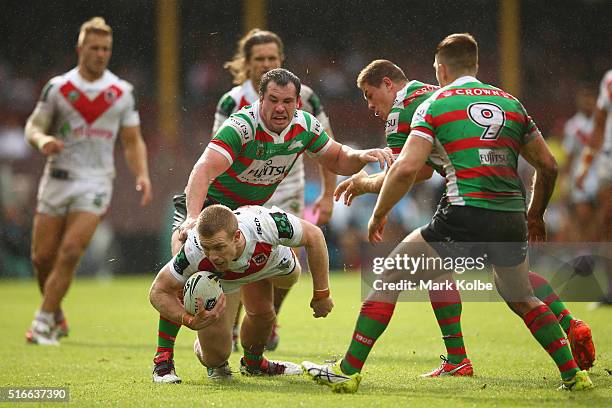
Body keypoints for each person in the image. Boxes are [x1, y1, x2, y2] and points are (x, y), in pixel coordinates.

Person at [303, 33, 593, 392]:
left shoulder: (421, 106)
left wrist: (375, 207)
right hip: (512, 207)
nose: (369, 105)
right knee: (515, 291)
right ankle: (570, 370)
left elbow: (410, 170)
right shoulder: (510, 101)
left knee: (391, 275)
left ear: (440, 69)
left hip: (465, 205)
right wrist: (535, 214)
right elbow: (547, 166)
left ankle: (348, 370)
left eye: (369, 95)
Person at [152, 67, 392, 383]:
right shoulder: (241, 127)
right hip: (209, 211)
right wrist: (193, 219)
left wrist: (362, 154)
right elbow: (202, 171)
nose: (280, 108)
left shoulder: (304, 126)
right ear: (260, 99)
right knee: (184, 275)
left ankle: (255, 361)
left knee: (269, 299)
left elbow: (337, 158)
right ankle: (164, 360)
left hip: (250, 216)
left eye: (288, 101)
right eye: (273, 100)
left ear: (297, 103)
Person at [24, 17, 152, 345]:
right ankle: (54, 311)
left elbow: (132, 140)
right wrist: (42, 142)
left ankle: (41, 323)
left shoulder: (121, 92)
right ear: (80, 49)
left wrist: (142, 174)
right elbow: (33, 127)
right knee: (41, 258)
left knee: (70, 250)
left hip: (95, 181)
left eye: (106, 48)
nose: (100, 54)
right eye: (94, 47)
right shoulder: (59, 88)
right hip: (57, 177)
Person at [213, 29, 337, 351]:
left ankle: (268, 319)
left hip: (287, 188)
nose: (266, 62)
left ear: (281, 60)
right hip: (242, 192)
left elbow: (329, 146)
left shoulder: (304, 96)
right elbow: (216, 156)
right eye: (259, 59)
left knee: (287, 261)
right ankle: (238, 325)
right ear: (247, 63)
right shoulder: (231, 101)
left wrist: (327, 194)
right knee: (239, 257)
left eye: (272, 57)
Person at [149, 204, 333, 379]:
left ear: (236, 236)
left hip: (270, 264)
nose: (213, 256)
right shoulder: (193, 251)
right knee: (216, 357)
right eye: (207, 248)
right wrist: (187, 319)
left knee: (267, 310)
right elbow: (158, 291)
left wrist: (322, 293)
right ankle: (190, 352)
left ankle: (254, 364)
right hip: (223, 280)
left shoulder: (268, 225)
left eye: (219, 247)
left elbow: (314, 235)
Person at [576, 69, 612, 306]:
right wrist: (586, 164)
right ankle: (610, 290)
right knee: (607, 224)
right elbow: (599, 123)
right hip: (609, 161)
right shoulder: (609, 80)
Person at [561, 85, 598, 242]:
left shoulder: (603, 124)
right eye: (585, 100)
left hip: (601, 177)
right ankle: (583, 253)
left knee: (601, 220)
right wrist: (565, 182)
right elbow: (569, 158)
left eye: (591, 100)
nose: (588, 103)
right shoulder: (573, 127)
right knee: (582, 217)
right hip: (582, 178)